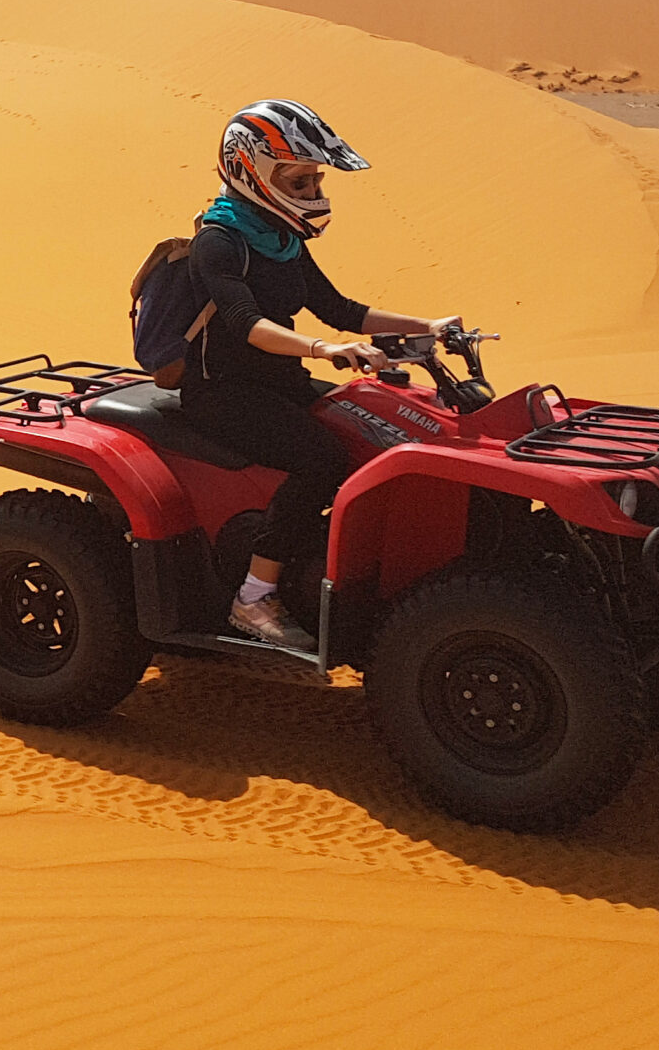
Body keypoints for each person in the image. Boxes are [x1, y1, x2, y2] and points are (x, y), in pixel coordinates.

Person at [181, 100, 456, 653]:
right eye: (299, 180)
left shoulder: (281, 237)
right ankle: (254, 596)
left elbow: (340, 308)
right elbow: (247, 324)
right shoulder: (220, 241)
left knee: (374, 426)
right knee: (320, 459)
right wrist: (323, 350)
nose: (311, 192)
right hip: (223, 392)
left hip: (278, 381)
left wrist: (427, 323)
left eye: (313, 180)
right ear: (250, 172)